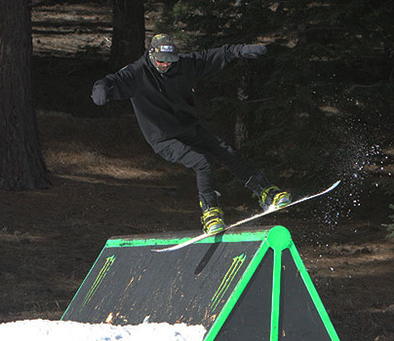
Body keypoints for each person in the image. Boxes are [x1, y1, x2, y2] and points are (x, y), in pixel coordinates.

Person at [90, 33, 291, 233]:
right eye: (160, 61)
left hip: (189, 127)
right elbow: (110, 80)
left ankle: (265, 191)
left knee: (225, 151)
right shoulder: (136, 73)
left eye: (169, 61)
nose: (165, 65)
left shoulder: (185, 65)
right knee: (202, 162)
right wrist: (101, 90)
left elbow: (218, 54)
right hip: (163, 138)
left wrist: (241, 50)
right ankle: (210, 214)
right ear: (151, 55)